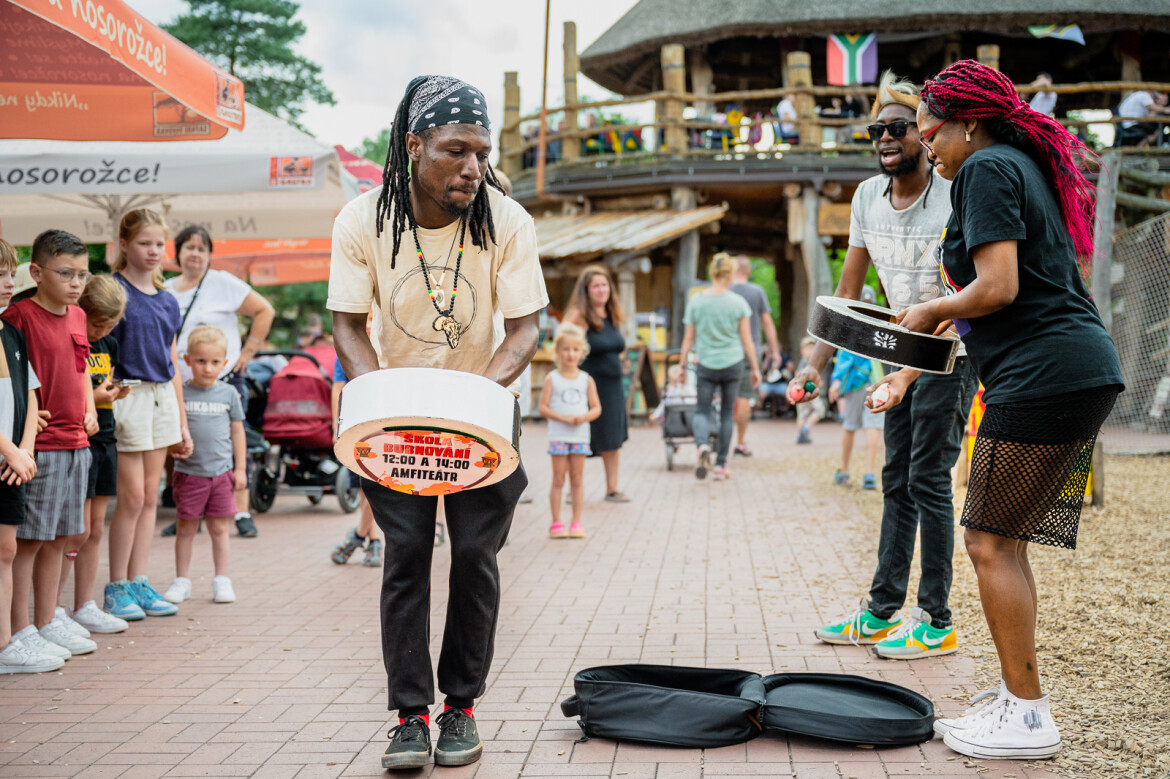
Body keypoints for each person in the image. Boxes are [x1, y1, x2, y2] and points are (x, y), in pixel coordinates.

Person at [327, 75, 547, 771]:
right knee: (408, 556)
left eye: (481, 152)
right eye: (455, 151)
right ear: (413, 145)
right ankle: (410, 715)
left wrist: (468, 409)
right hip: (393, 417)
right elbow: (345, 324)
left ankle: (461, 707)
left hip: (482, 413)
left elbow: (525, 329)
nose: (472, 167)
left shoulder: (506, 219)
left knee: (476, 557)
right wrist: (385, 406)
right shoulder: (362, 219)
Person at [907, 59, 1123, 760]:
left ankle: (1027, 717)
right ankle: (1016, 696)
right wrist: (942, 324)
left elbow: (998, 286)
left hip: (1046, 372)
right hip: (1067, 369)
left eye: (930, 130)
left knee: (987, 542)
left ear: (968, 121)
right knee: (1005, 540)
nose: (925, 146)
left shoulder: (986, 170)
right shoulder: (1013, 165)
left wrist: (936, 306)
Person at [793, 70, 978, 660]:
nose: (885, 138)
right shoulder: (866, 196)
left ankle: (937, 619)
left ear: (924, 134)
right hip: (897, 350)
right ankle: (880, 610)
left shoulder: (954, 192)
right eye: (877, 129)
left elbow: (972, 294)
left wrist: (909, 373)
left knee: (928, 479)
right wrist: (815, 366)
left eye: (897, 127)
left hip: (952, 350)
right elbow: (846, 294)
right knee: (895, 479)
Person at [2, 230, 100, 660]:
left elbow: (80, 368)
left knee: (64, 534)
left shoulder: (78, 317)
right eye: (66, 273)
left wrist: (92, 405)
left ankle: (48, 616)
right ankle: (21, 626)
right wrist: (29, 421)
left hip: (78, 440)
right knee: (30, 540)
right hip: (41, 445)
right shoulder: (19, 316)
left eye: (83, 274)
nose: (77, 283)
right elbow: (21, 380)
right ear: (38, 272)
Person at [106, 208, 192, 621]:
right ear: (123, 245)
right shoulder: (112, 290)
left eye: (159, 243)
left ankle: (138, 580)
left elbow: (172, 359)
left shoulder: (168, 299)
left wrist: (182, 420)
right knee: (132, 497)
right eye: (145, 243)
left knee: (152, 498)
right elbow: (98, 351)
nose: (154, 250)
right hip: (128, 393)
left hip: (162, 396)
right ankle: (116, 585)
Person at [164, 226, 274, 539]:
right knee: (183, 441)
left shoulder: (221, 282)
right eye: (189, 247)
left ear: (210, 255)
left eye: (202, 248)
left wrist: (249, 351)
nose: (195, 254)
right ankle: (189, 511)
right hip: (181, 382)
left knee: (228, 440)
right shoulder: (167, 289)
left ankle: (241, 512)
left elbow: (265, 310)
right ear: (179, 253)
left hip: (223, 380)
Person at [0, 240, 60, 674]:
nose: (8, 283)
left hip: (13, 461)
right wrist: (11, 450)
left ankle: (6, 643)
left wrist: (25, 448)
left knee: (6, 549)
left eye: (10, 272)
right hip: (8, 457)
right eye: (0, 275)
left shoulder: (10, 333)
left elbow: (29, 395)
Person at [65, 275, 132, 634]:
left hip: (105, 437)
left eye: (110, 324)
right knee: (73, 530)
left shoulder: (107, 344)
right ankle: (57, 608)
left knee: (93, 529)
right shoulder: (73, 342)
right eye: (98, 322)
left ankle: (84, 604)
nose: (102, 330)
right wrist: (97, 397)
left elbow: (101, 384)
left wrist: (111, 394)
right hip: (79, 438)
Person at [162, 326, 244, 605]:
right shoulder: (181, 393)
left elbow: (237, 432)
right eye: (200, 361)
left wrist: (241, 468)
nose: (208, 368)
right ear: (187, 360)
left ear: (225, 362)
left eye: (214, 362)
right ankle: (181, 580)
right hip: (189, 474)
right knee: (186, 528)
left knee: (219, 529)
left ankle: (222, 579)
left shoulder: (229, 394)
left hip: (221, 474)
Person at [676, 253, 762, 480]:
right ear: (730, 274)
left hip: (705, 363)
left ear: (712, 273)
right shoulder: (738, 303)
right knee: (726, 413)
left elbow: (688, 339)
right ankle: (722, 464)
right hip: (733, 363)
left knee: (702, 410)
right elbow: (747, 341)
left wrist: (682, 365)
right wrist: (755, 368)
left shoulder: (697, 301)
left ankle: (702, 446)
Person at [564, 266, 630, 502]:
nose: (602, 290)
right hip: (588, 386)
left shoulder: (612, 315)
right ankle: (574, 489)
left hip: (613, 387)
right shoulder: (578, 316)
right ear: (586, 290)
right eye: (596, 286)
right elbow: (565, 345)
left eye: (605, 285)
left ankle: (612, 488)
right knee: (582, 436)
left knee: (612, 437)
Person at [538, 323, 601, 539]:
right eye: (566, 349)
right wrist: (563, 418)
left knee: (577, 479)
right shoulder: (551, 379)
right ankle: (556, 522)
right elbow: (543, 408)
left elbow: (596, 408)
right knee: (558, 479)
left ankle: (576, 521)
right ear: (557, 351)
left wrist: (582, 418)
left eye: (575, 349)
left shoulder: (587, 380)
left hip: (580, 436)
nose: (570, 353)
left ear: (582, 351)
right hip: (558, 436)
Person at [329, 326, 385, 567]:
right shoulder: (346, 346)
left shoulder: (389, 347)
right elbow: (338, 388)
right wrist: (336, 426)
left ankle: (361, 536)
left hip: (384, 425)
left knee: (374, 484)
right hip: (356, 424)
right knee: (364, 485)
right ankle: (371, 539)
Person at [728, 254, 781, 457]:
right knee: (743, 397)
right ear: (748, 271)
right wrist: (774, 351)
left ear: (732, 271)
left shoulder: (726, 291)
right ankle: (740, 442)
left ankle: (720, 439)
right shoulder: (757, 292)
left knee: (723, 395)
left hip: (726, 351)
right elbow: (767, 323)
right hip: (751, 353)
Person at [829, 343, 884, 489]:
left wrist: (836, 380)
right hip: (875, 380)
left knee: (850, 425)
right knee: (872, 425)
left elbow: (845, 354)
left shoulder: (852, 325)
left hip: (855, 381)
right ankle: (869, 473)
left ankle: (844, 470)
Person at [793, 337, 827, 443]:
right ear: (802, 350)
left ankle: (801, 435)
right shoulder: (806, 363)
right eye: (808, 348)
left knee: (803, 414)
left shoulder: (804, 362)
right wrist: (816, 383)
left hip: (802, 393)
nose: (811, 351)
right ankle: (805, 429)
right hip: (807, 392)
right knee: (819, 410)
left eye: (813, 348)